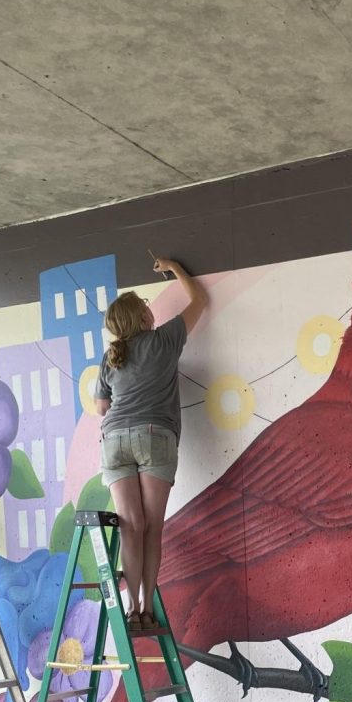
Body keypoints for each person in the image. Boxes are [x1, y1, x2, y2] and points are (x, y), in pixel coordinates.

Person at [95, 258, 207, 633]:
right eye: (145, 304)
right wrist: (174, 267)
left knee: (131, 526)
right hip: (155, 436)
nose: (149, 307)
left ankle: (131, 608)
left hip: (114, 441)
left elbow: (102, 407)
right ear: (142, 316)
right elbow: (199, 299)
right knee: (152, 528)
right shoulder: (164, 340)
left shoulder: (111, 357)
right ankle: (146, 608)